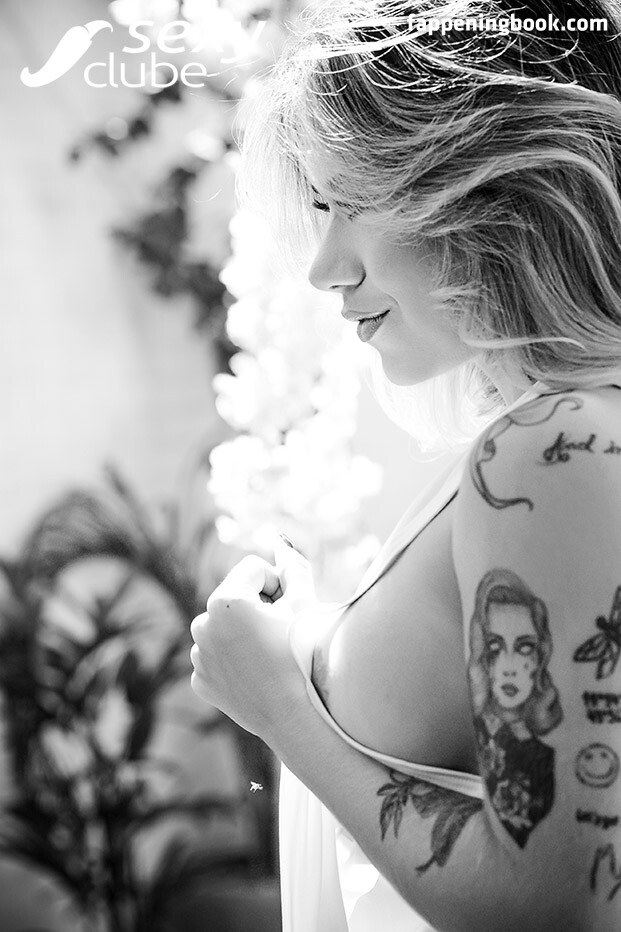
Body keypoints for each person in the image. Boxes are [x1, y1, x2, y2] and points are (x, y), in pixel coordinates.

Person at [189, 1, 621, 929]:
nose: (324, 269)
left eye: (354, 200)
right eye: (321, 209)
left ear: (492, 186)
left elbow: (558, 905)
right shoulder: (570, 436)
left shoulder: (547, 451)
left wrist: (279, 707)